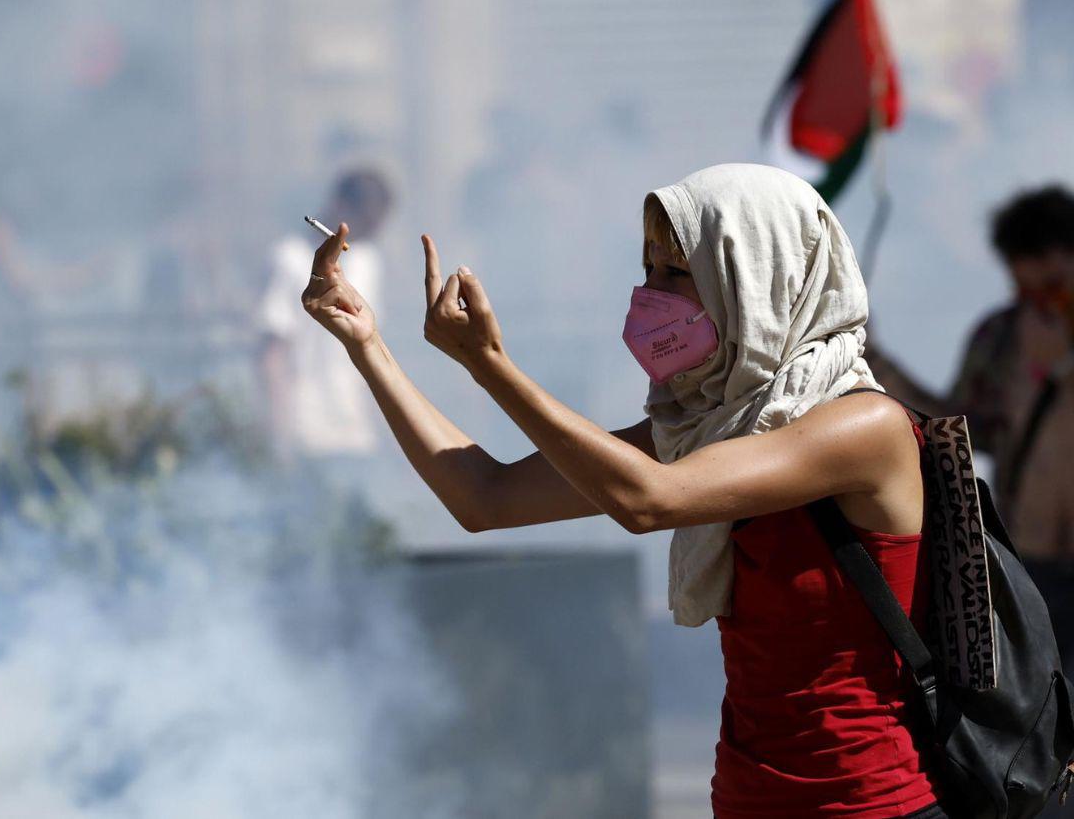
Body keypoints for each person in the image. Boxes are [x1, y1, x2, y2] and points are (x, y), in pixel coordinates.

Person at [302, 163, 955, 817]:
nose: (651, 294)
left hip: (876, 805)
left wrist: (489, 365)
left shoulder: (863, 428)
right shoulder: (702, 430)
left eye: (677, 272)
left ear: (757, 278)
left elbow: (649, 501)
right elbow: (485, 497)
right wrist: (367, 346)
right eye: (648, 269)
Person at [864, 185, 1074, 677]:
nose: (1044, 301)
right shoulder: (999, 339)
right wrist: (875, 363)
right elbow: (952, 425)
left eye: (1055, 283)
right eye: (1029, 285)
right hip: (1034, 558)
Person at [257, 167, 393, 470]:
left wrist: (388, 432)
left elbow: (372, 349)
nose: (369, 231)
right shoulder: (290, 259)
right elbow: (273, 354)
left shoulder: (368, 261)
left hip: (358, 437)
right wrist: (281, 436)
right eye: (365, 219)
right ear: (340, 205)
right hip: (308, 434)